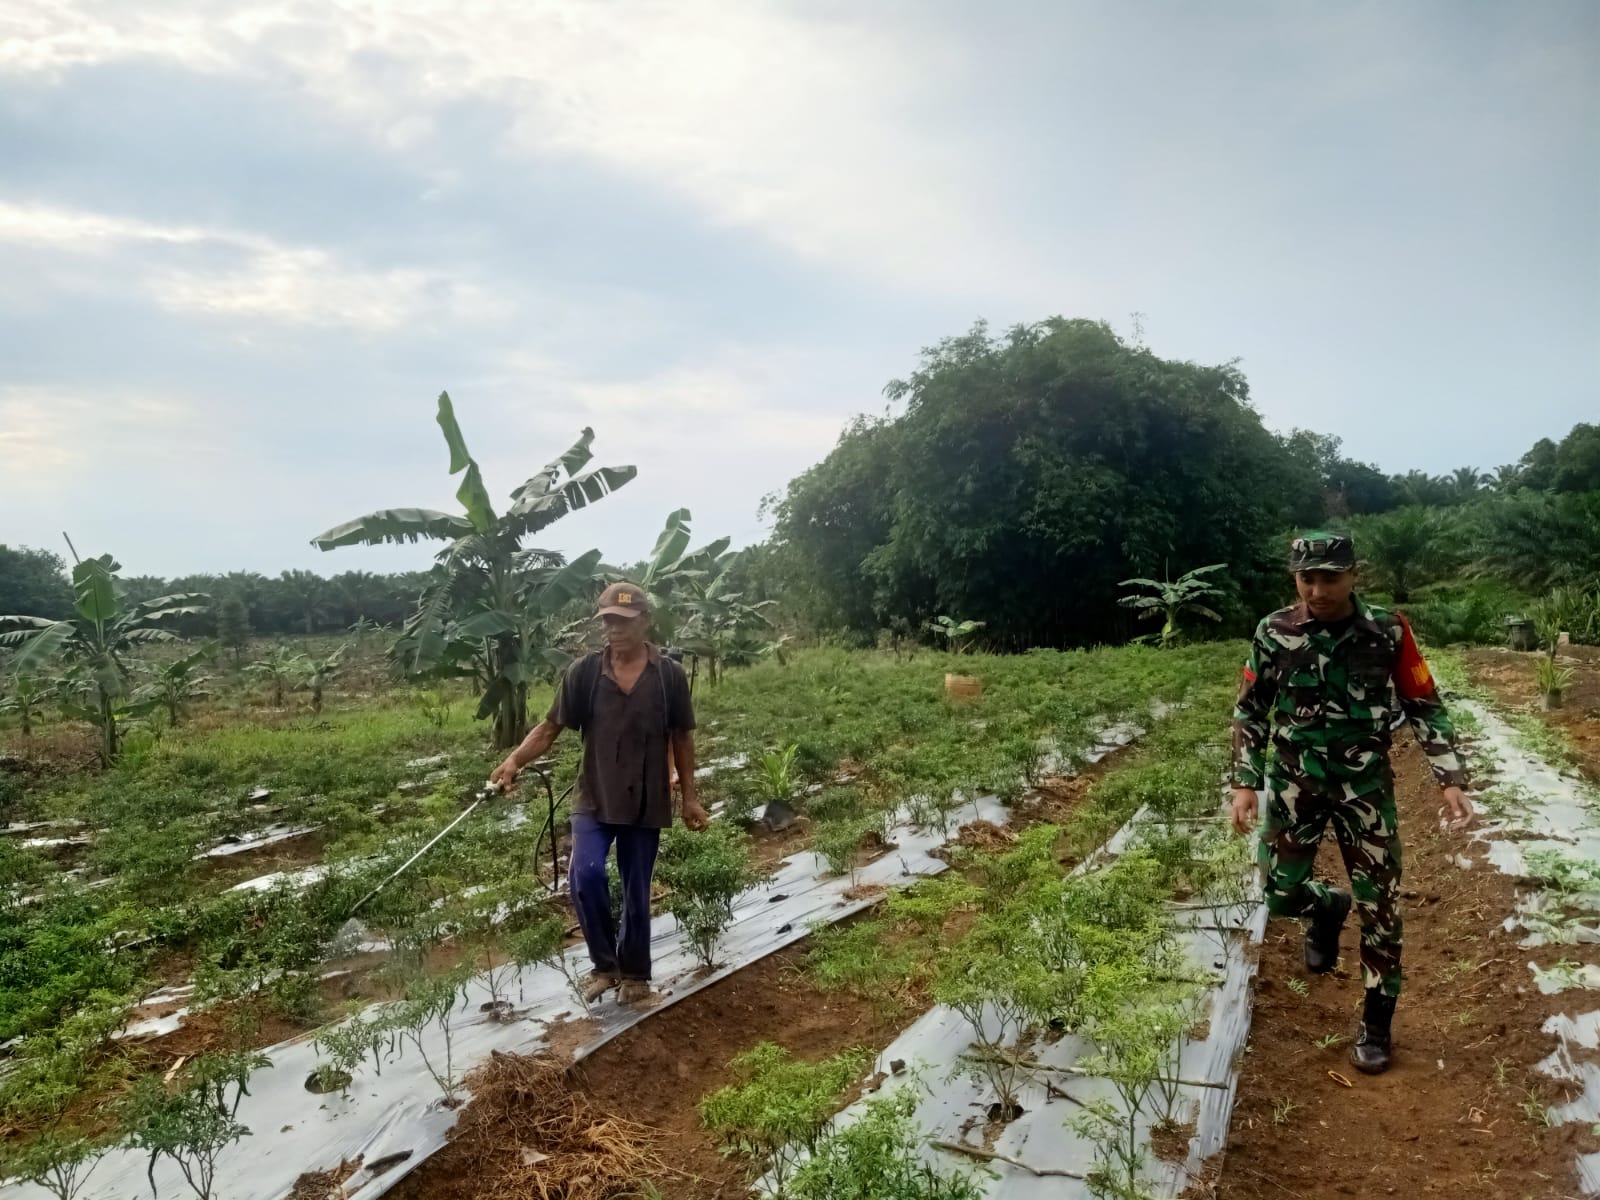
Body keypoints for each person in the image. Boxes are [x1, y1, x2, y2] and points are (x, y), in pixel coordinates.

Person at [1230, 531, 1473, 1075]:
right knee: (1279, 893)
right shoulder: (1275, 632)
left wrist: (1449, 776)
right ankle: (1325, 906)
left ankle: (1376, 1025)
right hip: (1296, 785)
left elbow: (1424, 704)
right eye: (1306, 579)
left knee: (1381, 909)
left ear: (1353, 575)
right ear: (1296, 578)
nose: (1318, 590)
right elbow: (1250, 711)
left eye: (1330, 578)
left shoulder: (1387, 630)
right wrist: (1245, 782)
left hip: (1365, 789)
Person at [490, 581, 709, 1005]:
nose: (615, 628)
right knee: (585, 876)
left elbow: (682, 738)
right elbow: (550, 726)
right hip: (593, 797)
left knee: (635, 890)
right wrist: (515, 760)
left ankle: (635, 975)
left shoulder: (668, 677)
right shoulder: (584, 673)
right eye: (608, 620)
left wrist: (691, 798)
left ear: (644, 621)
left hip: (646, 800)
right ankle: (604, 966)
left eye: (624, 621)